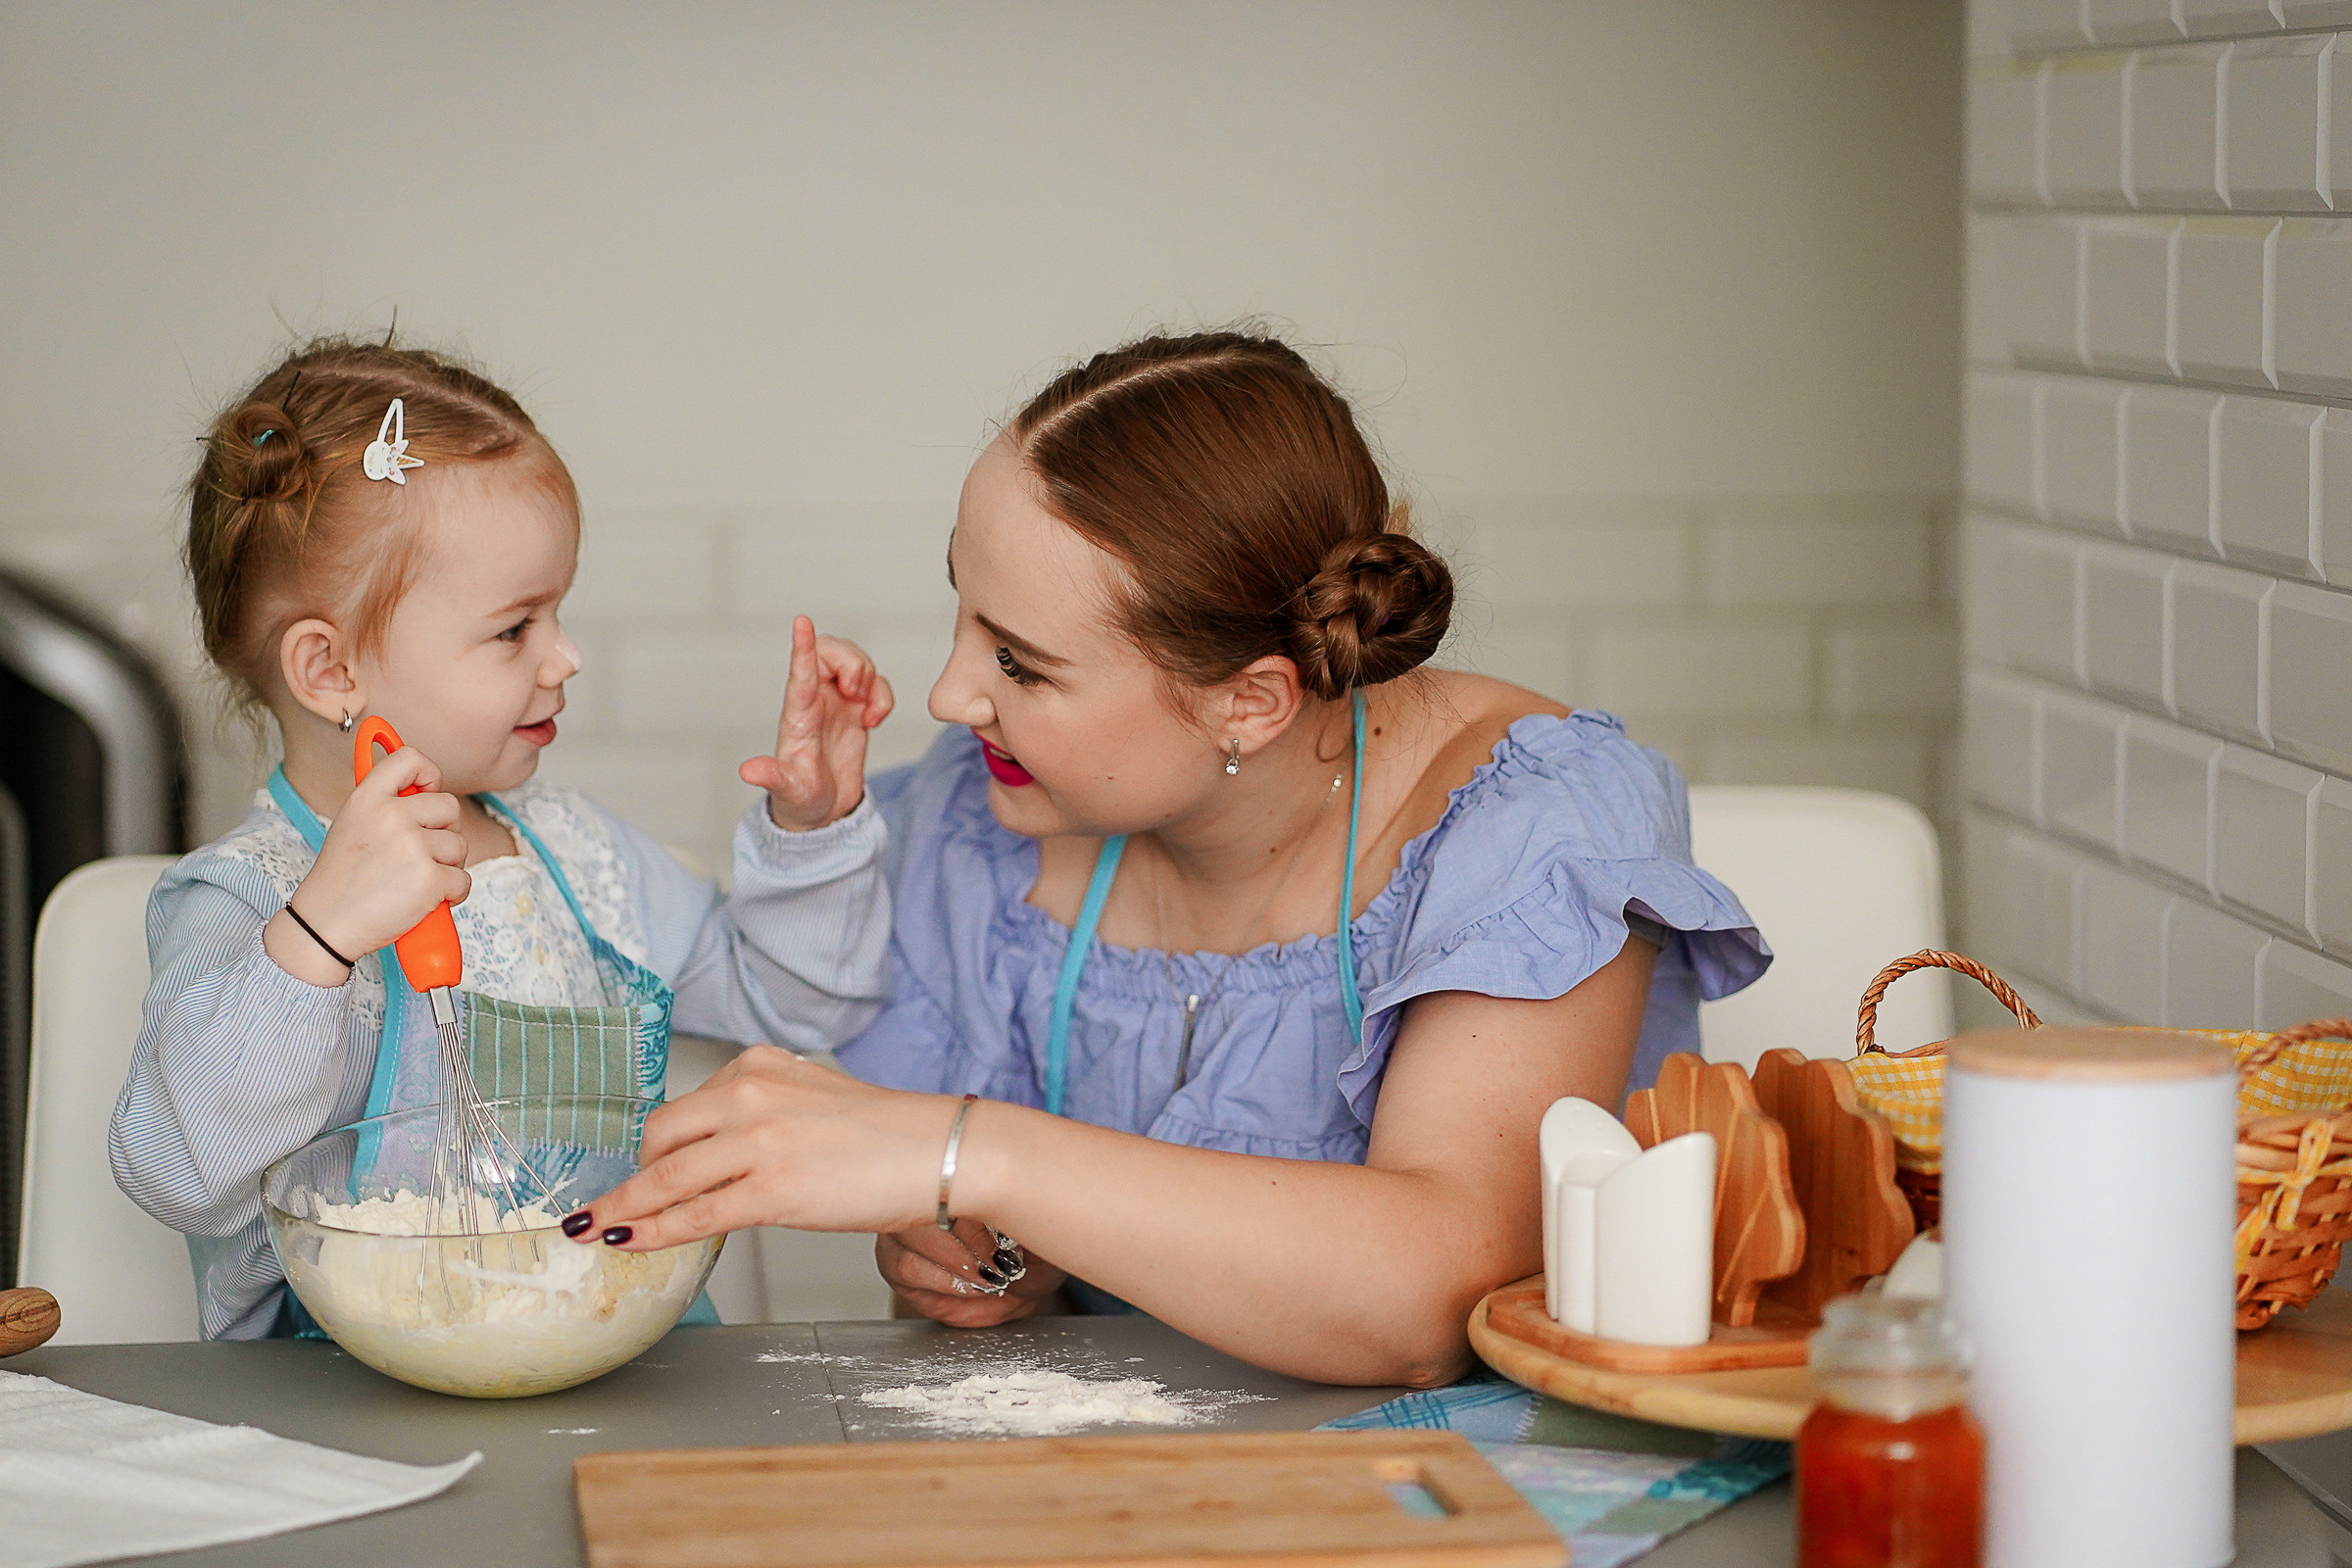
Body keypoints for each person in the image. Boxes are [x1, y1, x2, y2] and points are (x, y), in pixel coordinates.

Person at [571, 331, 1768, 1387]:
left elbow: (1430, 1295)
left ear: (1250, 702)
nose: (947, 695)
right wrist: (993, 1254)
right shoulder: (981, 826)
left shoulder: (1532, 824)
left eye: (1022, 664)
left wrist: (963, 1147)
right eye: (963, 614)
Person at [110, 338, 895, 1339]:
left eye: (557, 611)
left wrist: (812, 828)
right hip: (344, 1412)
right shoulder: (246, 898)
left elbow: (800, 1004)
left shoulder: (581, 859)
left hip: (617, 1358)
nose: (565, 656)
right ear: (331, 672)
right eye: (515, 627)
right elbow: (178, 1170)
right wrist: (320, 933)